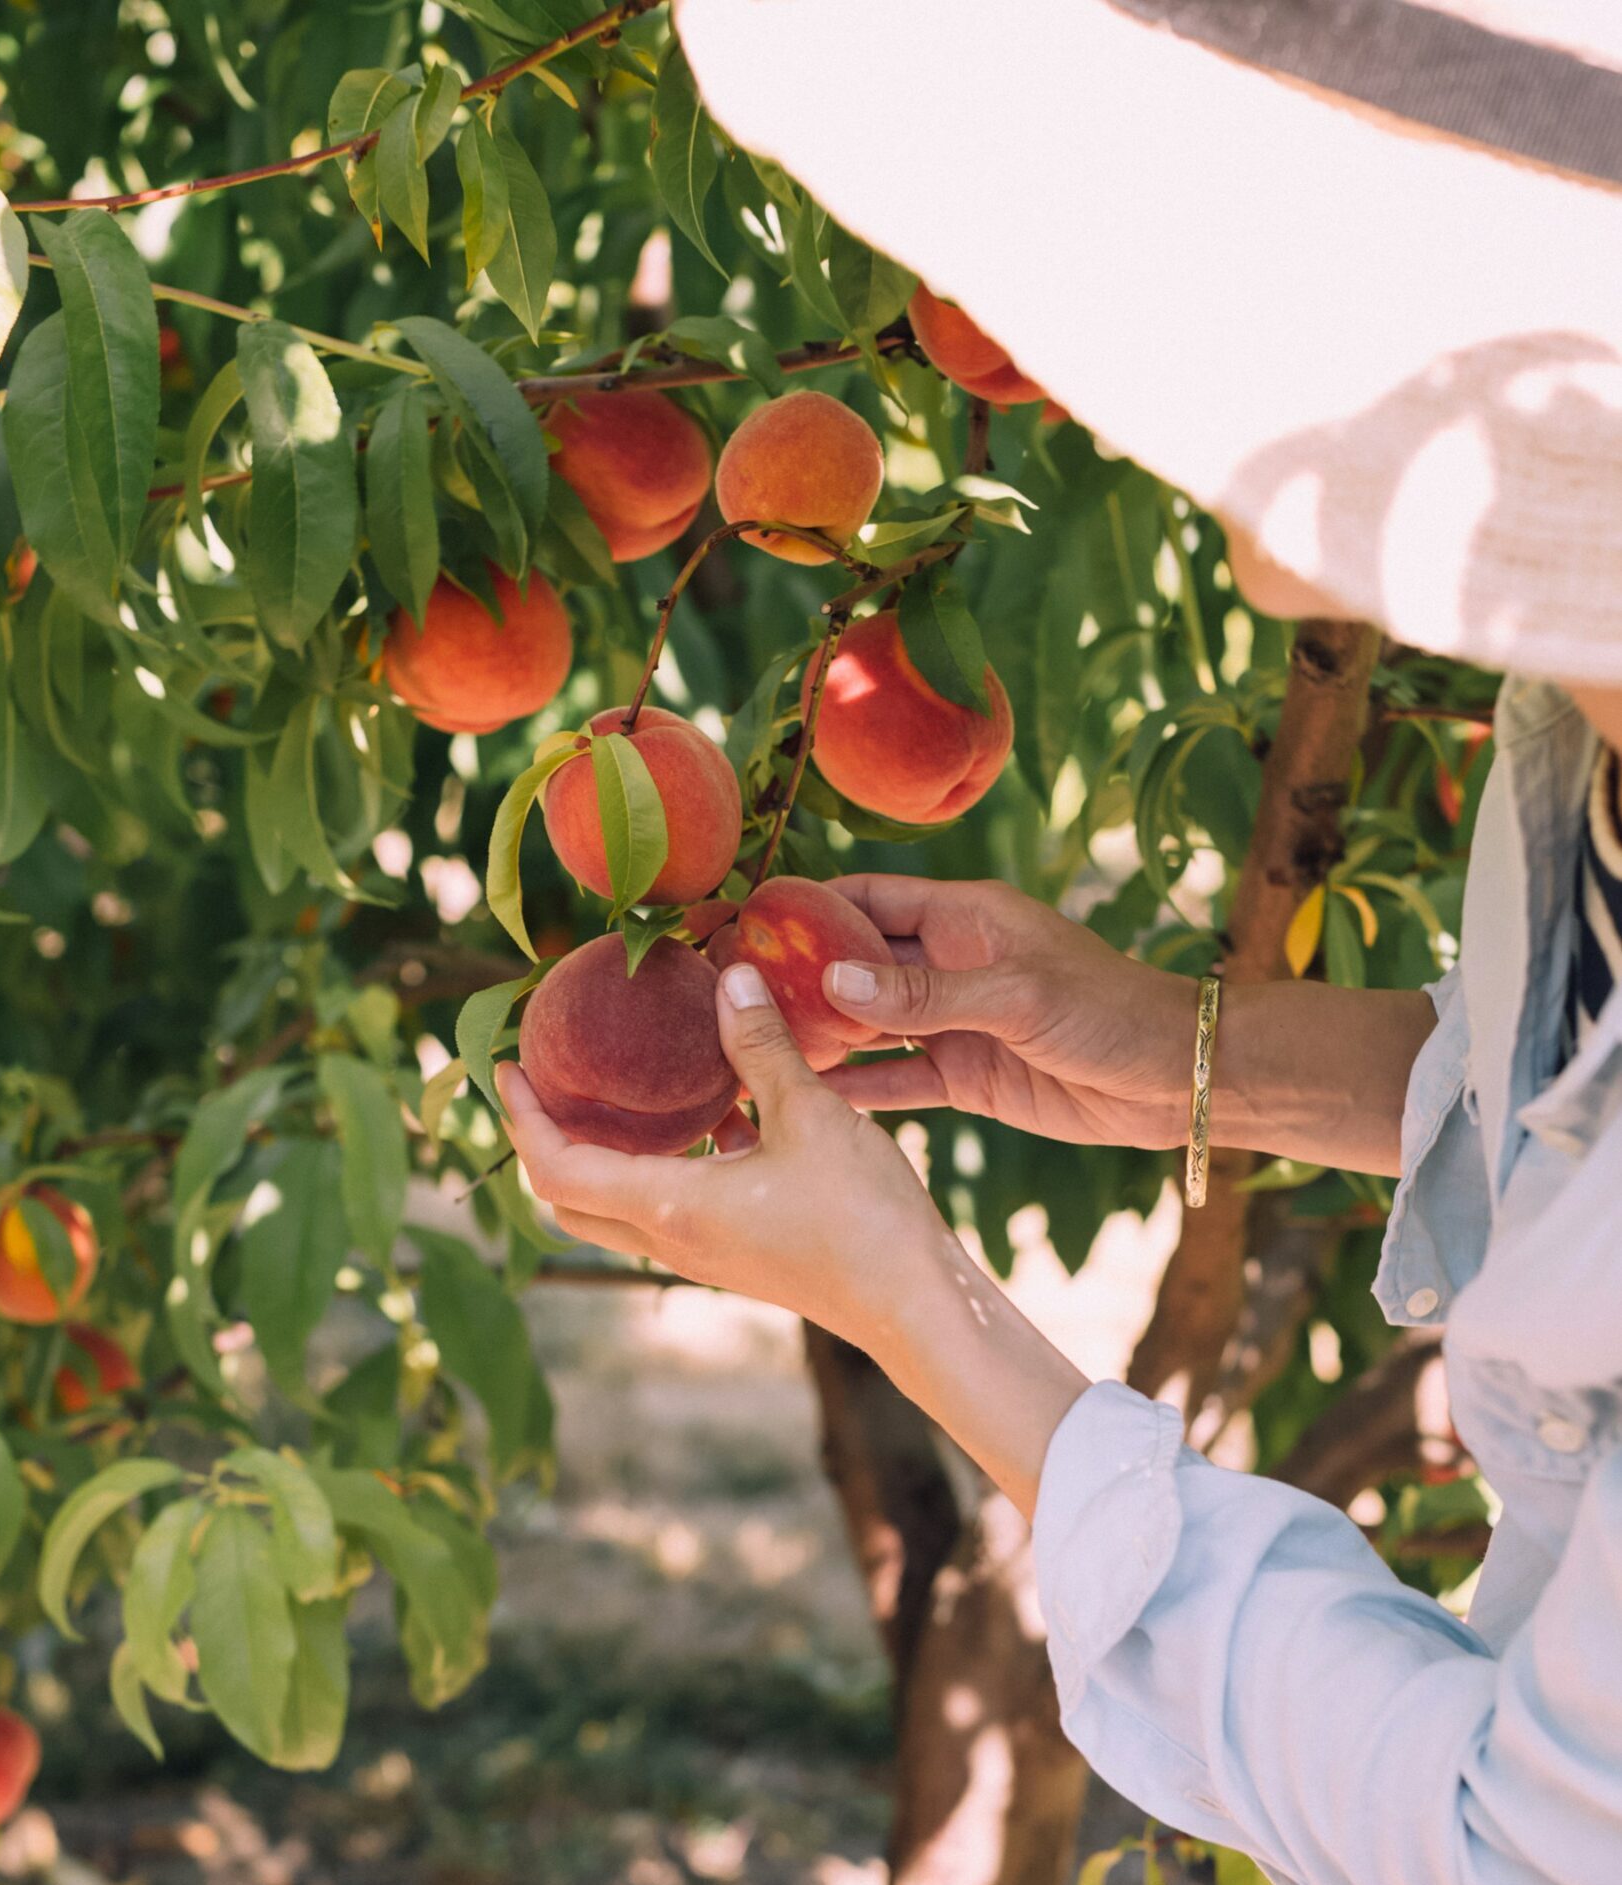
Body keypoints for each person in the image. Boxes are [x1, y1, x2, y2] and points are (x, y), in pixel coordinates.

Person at [501, 3, 1622, 1878]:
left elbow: (1512, 1841)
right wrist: (1179, 1043)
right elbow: (1576, 1111)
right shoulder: (1581, 720)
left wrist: (910, 1302)